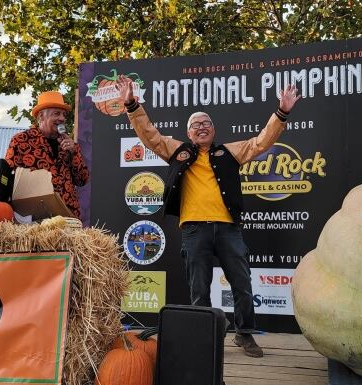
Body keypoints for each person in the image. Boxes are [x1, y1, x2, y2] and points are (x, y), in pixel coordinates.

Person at [115, 76, 300, 357]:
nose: (201, 127)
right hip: (194, 229)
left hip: (228, 229)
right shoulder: (178, 151)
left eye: (206, 123)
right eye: (195, 125)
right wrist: (131, 105)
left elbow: (261, 142)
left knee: (242, 282)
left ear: (214, 130)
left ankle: (245, 334)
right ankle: (204, 337)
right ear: (189, 133)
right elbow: (150, 135)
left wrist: (282, 113)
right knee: (199, 287)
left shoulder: (230, 152)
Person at [4, 91, 89, 219]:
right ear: (40, 117)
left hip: (67, 218)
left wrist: (73, 153)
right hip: (32, 218)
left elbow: (82, 180)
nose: (62, 118)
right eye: (57, 113)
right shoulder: (21, 140)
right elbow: (7, 177)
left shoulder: (70, 145)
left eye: (64, 115)